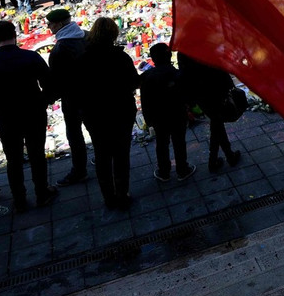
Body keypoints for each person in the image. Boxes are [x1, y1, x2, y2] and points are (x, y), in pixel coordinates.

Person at [0, 20, 58, 212]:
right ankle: (42, 193)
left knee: (14, 159)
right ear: (15, 35)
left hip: (6, 116)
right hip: (33, 113)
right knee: (37, 154)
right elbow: (50, 86)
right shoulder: (30, 57)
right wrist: (43, 100)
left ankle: (19, 199)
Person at [77, 17, 139, 209]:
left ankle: (108, 196)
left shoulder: (83, 59)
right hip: (121, 111)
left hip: (94, 114)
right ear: (113, 34)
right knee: (121, 155)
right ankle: (122, 193)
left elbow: (78, 89)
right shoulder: (120, 57)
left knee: (102, 155)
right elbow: (134, 82)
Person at [46, 8, 90, 185]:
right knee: (96, 129)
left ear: (59, 24)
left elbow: (57, 81)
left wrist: (46, 98)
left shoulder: (60, 49)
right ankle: (104, 157)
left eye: (50, 24)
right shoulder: (86, 36)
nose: (49, 27)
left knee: (75, 135)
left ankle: (79, 170)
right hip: (93, 93)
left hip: (73, 99)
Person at [140, 43, 194, 182]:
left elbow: (145, 101)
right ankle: (182, 169)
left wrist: (149, 119)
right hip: (177, 115)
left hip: (159, 118)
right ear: (170, 56)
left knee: (162, 144)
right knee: (179, 142)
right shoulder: (177, 74)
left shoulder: (147, 77)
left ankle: (164, 172)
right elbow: (186, 95)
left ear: (153, 58)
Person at [178, 52, 241, 172]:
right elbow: (219, 64)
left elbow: (184, 74)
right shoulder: (205, 44)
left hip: (201, 93)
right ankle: (220, 159)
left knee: (216, 123)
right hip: (214, 89)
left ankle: (221, 158)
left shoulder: (184, 51)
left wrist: (189, 100)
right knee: (217, 123)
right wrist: (229, 85)